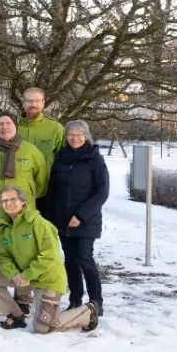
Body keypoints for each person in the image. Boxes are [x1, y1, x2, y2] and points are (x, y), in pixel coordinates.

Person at [0, 187, 99, 333]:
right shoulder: (4, 227)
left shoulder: (39, 224)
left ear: (23, 201)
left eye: (13, 199)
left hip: (46, 279)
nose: (9, 203)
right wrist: (14, 274)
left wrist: (27, 275)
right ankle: (16, 315)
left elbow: (49, 255)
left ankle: (87, 312)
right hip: (24, 277)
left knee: (44, 328)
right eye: (4, 200)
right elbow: (3, 257)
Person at [0, 112, 48, 311]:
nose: (4, 127)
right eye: (0, 124)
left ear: (16, 127)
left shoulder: (31, 152)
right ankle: (0, 300)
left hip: (23, 216)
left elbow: (41, 182)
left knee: (23, 256)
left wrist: (26, 202)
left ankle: (23, 300)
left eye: (8, 123)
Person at [46, 120, 109, 315]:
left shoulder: (94, 159)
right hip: (63, 219)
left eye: (79, 134)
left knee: (84, 257)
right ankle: (75, 299)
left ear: (86, 136)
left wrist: (81, 215)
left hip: (86, 219)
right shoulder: (60, 157)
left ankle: (96, 301)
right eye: (71, 134)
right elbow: (53, 189)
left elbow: (102, 191)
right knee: (70, 260)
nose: (75, 138)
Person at [18, 87, 66, 175]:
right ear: (23, 103)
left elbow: (65, 159)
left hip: (48, 184)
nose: (33, 104)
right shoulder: (12, 128)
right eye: (29, 101)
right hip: (18, 184)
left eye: (37, 101)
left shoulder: (56, 128)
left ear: (43, 103)